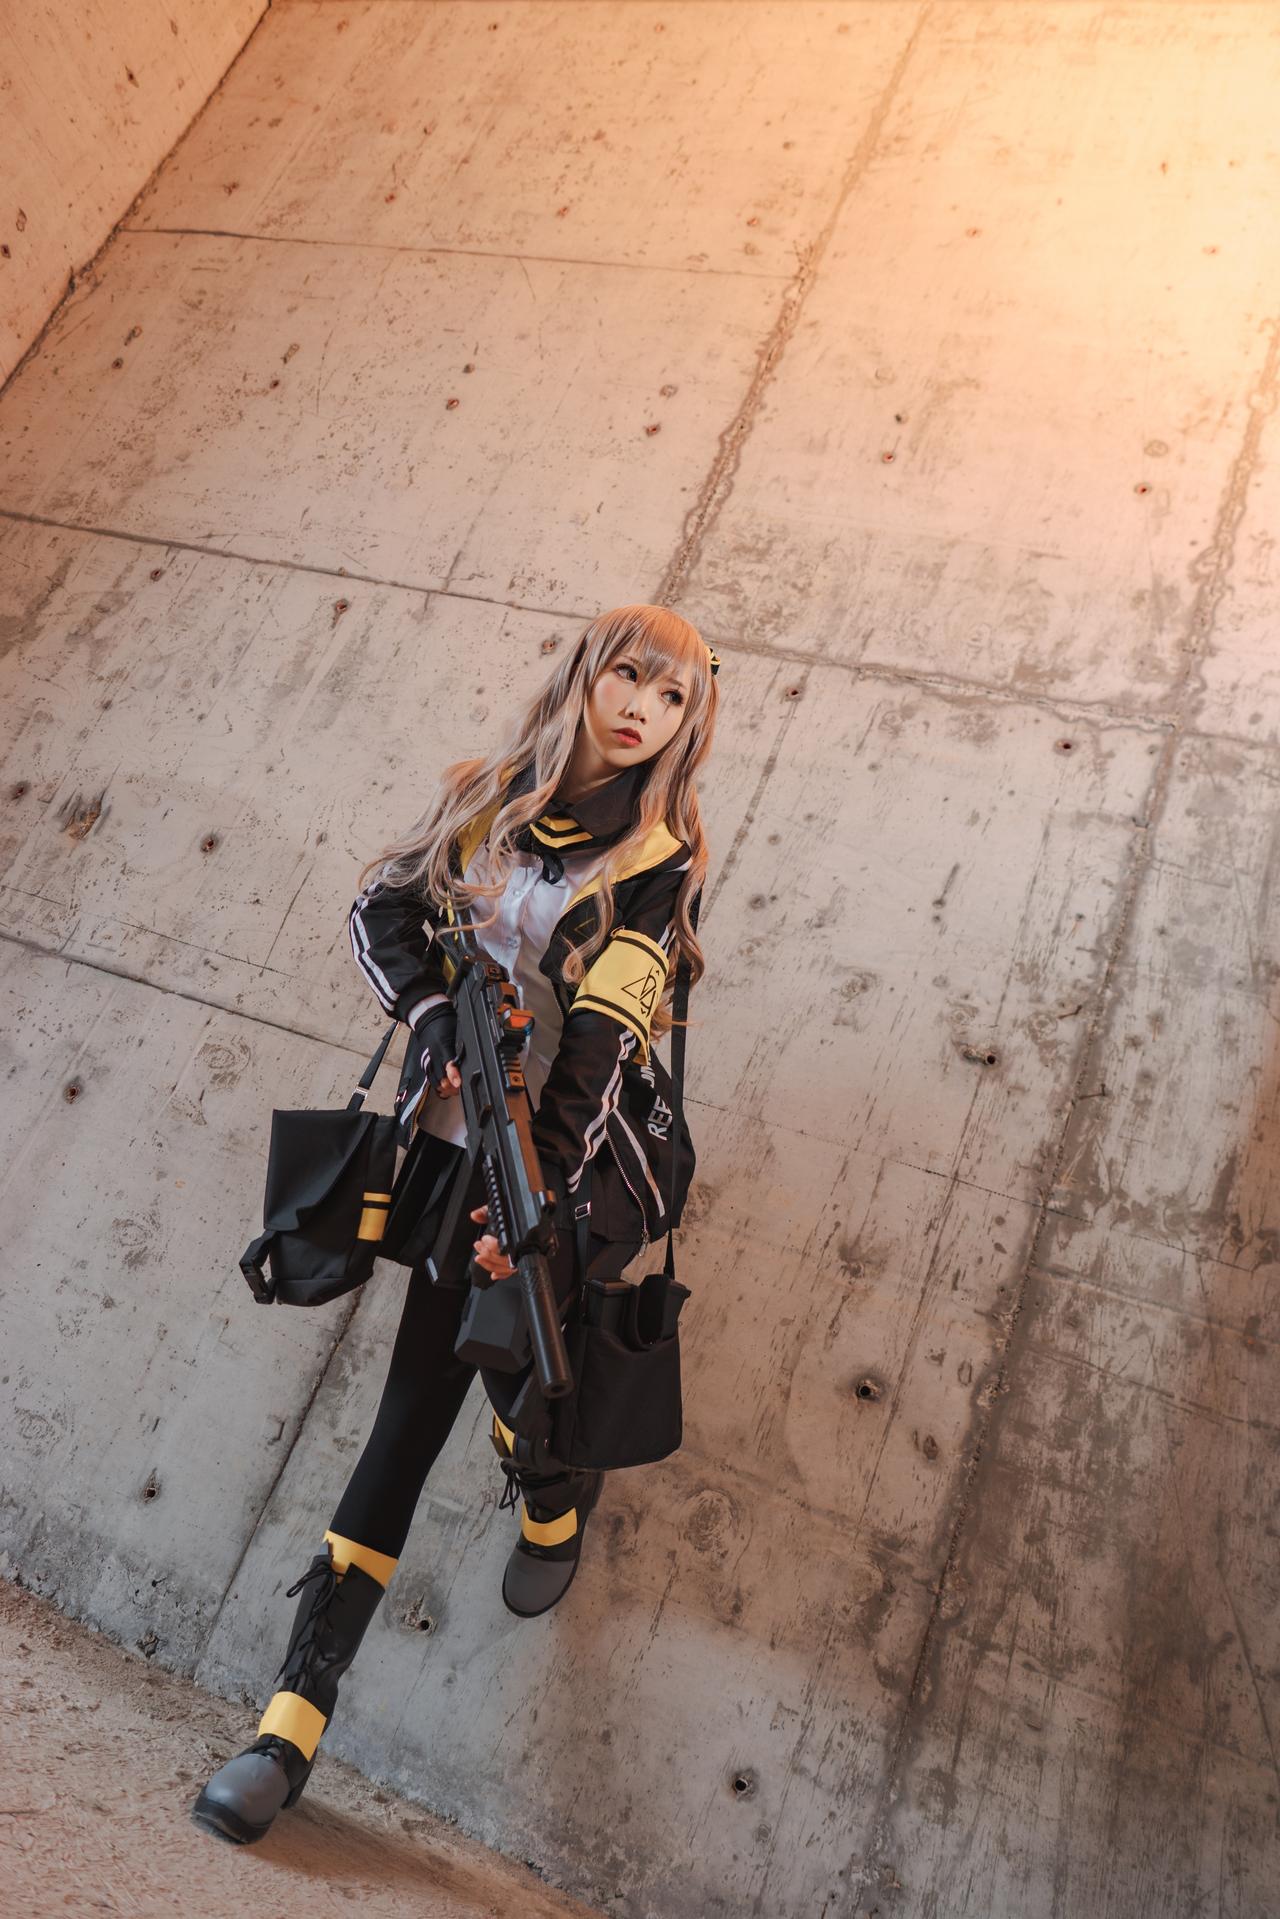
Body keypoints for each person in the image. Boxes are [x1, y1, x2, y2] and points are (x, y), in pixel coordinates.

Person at [192, 604, 719, 1845]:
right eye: (628, 675)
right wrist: (434, 1015)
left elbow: (600, 1049)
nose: (642, 708)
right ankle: (288, 1725)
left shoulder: (658, 861)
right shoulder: (487, 801)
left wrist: (534, 1202)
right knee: (414, 1412)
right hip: (446, 1141)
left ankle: (547, 1488)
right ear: (585, 676)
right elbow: (380, 911)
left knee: (524, 1358)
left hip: (566, 1159)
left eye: (673, 697)